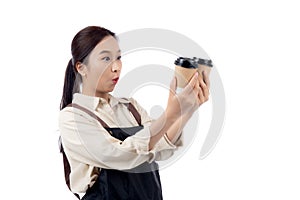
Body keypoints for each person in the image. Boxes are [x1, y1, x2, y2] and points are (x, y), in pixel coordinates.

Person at [59, 26, 210, 200]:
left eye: (118, 58)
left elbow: (161, 148)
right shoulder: (73, 117)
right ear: (81, 68)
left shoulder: (130, 106)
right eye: (106, 58)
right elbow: (119, 156)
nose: (116, 67)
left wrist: (186, 111)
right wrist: (169, 115)